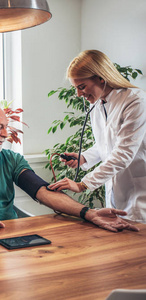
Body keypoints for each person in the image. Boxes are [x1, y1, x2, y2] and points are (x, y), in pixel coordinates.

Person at [0, 100, 139, 233]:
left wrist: (89, 212)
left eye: (6, 127)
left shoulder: (11, 160)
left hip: (9, 233)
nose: (6, 134)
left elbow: (43, 191)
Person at [48, 50, 146, 223]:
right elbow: (106, 145)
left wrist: (82, 184)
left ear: (101, 77)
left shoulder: (135, 101)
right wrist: (84, 158)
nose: (78, 95)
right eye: (76, 88)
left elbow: (123, 153)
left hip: (139, 194)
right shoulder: (98, 104)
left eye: (82, 87)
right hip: (115, 192)